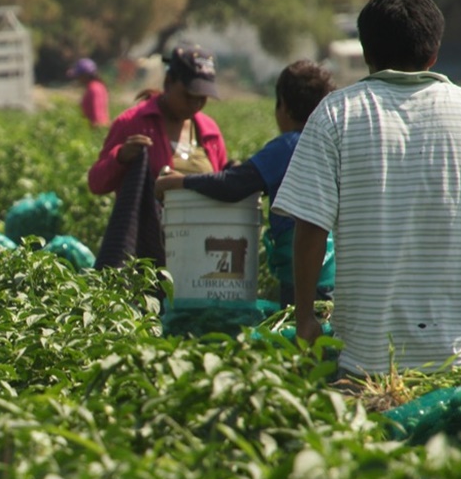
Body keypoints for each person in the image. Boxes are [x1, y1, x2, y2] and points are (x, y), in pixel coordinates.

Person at [272, 0, 461, 376]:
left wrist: (305, 319)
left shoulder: (337, 115)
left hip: (370, 365)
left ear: (367, 53)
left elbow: (311, 227)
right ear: (434, 53)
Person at [154, 60, 338, 307]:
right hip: (340, 271)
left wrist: (180, 181)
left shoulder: (288, 146)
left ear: (282, 105)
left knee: (305, 335)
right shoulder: (334, 143)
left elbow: (233, 185)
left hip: (305, 272)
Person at [87, 44, 230, 197]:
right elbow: (97, 183)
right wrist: (120, 157)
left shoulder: (209, 130)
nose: (195, 104)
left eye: (202, 98)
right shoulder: (133, 122)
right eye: (188, 96)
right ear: (168, 82)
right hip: (151, 221)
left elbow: (221, 187)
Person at [67, 57, 109, 128]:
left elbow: (97, 117)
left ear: (85, 75)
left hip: (96, 130)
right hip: (100, 128)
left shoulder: (93, 89)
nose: (78, 79)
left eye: (79, 76)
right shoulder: (99, 86)